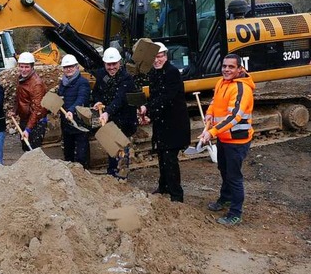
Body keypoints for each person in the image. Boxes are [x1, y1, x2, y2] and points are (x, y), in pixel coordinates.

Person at [200, 54, 254, 226]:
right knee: (223, 169)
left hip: (237, 140)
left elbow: (234, 117)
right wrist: (209, 114)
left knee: (234, 176)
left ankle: (235, 213)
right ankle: (226, 198)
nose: (226, 70)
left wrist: (212, 132)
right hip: (224, 138)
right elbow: (215, 102)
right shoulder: (221, 82)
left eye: (231, 67)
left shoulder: (241, 88)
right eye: (224, 66)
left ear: (239, 69)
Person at [138, 43, 190, 202]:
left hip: (174, 123)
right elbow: (155, 98)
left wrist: (148, 109)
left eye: (160, 56)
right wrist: (150, 115)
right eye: (154, 56)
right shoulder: (154, 74)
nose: (157, 60)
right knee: (162, 155)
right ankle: (164, 186)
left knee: (170, 159)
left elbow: (167, 98)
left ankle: (176, 195)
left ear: (166, 56)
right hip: (162, 122)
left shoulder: (172, 73)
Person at [91, 47, 138, 178]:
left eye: (114, 64)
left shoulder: (127, 78)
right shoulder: (102, 75)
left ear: (119, 63)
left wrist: (107, 112)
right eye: (108, 64)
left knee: (122, 148)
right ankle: (112, 174)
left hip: (124, 119)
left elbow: (120, 99)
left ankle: (122, 177)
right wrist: (97, 102)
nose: (111, 67)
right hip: (110, 120)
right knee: (111, 148)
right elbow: (96, 92)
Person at [57, 54, 91, 167]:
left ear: (77, 67)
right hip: (67, 124)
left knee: (82, 155)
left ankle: (84, 174)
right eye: (66, 67)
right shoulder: (63, 83)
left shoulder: (83, 82)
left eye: (71, 66)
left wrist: (71, 110)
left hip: (80, 123)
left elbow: (81, 98)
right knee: (68, 154)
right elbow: (61, 98)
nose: (69, 69)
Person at [11, 52, 48, 151]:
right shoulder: (21, 79)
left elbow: (37, 109)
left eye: (26, 67)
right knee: (26, 150)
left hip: (36, 122)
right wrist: (15, 111)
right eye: (21, 66)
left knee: (33, 152)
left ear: (32, 67)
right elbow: (19, 97)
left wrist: (28, 129)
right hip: (25, 119)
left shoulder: (36, 84)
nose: (23, 69)